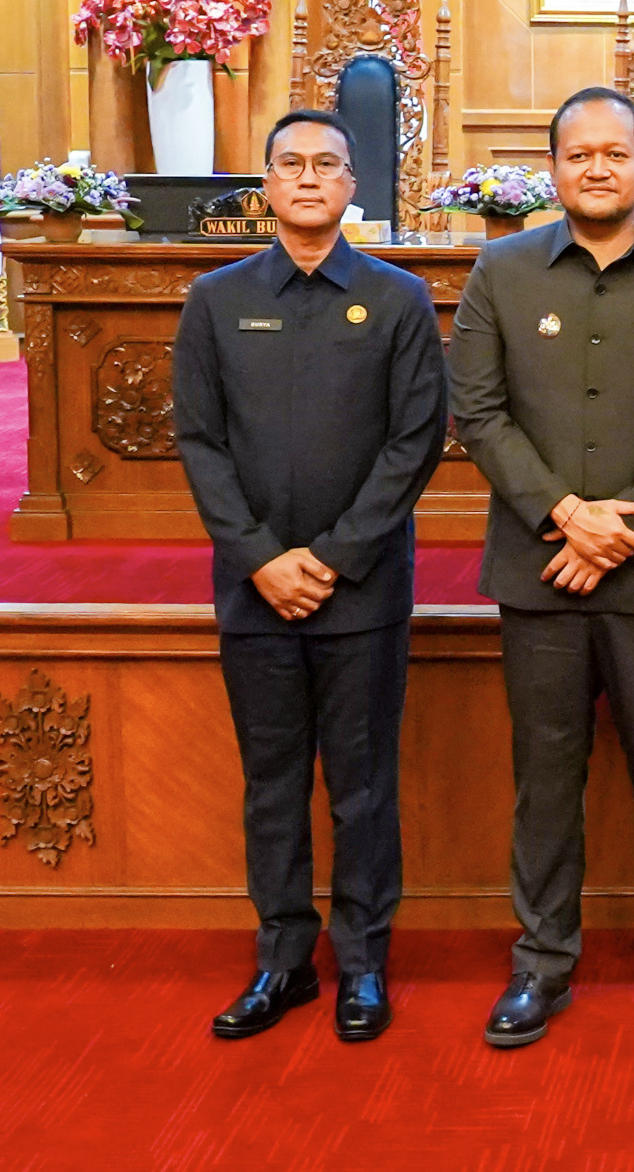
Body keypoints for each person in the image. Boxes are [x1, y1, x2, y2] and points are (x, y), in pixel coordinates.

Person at [448, 86, 634, 1048]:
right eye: (577, 154)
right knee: (546, 777)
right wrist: (566, 515)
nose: (596, 168)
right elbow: (478, 411)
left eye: (614, 153)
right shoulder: (501, 270)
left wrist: (619, 524)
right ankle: (541, 962)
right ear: (552, 169)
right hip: (537, 568)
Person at [172, 109, 449, 1044]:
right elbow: (199, 441)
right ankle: (282, 960)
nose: (306, 177)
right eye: (289, 163)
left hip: (360, 591)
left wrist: (331, 558)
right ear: (266, 183)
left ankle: (362, 961)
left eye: (325, 164)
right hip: (254, 592)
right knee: (273, 782)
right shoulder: (215, 299)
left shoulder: (398, 299)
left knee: (363, 785)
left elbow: (415, 442)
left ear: (351, 184)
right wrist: (261, 558)